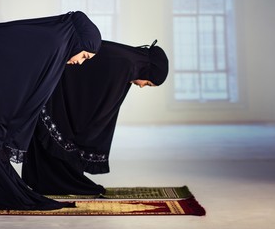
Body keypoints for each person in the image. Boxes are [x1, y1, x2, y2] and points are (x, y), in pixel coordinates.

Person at [0, 11, 101, 210]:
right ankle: (10, 195)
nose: (80, 62)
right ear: (77, 41)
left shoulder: (56, 44)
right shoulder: (55, 44)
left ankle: (12, 191)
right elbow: (28, 89)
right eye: (84, 55)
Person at [21, 40, 169, 195]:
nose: (142, 86)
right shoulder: (126, 65)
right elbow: (102, 105)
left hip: (51, 85)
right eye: (148, 83)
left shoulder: (127, 59)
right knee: (63, 137)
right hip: (57, 95)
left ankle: (42, 182)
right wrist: (90, 131)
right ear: (149, 71)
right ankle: (56, 184)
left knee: (53, 137)